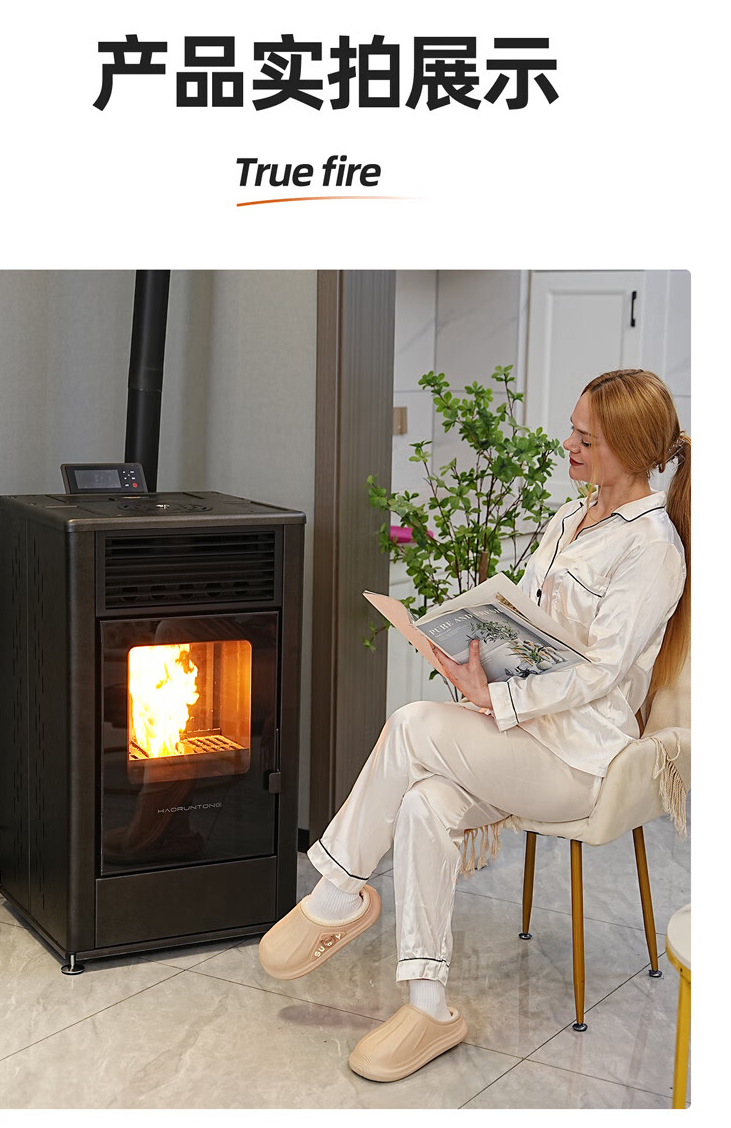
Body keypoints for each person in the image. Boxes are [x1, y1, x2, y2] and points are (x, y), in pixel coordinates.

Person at [258, 369, 691, 1083]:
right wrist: (476, 661)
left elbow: (601, 672)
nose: (568, 444)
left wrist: (500, 704)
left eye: (585, 438)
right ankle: (428, 1007)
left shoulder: (653, 549)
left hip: (578, 761)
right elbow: (537, 633)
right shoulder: (568, 518)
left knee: (411, 724)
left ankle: (337, 892)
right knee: (425, 805)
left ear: (631, 448)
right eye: (573, 429)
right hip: (520, 739)